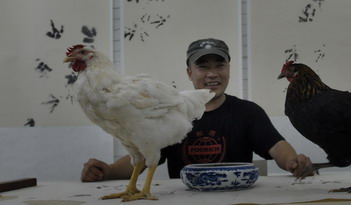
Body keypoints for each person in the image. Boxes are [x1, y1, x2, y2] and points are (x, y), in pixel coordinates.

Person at [81, 38, 311, 182]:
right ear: (190, 73)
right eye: (203, 67)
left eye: (219, 66)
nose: (212, 74)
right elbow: (143, 154)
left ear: (229, 70)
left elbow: (277, 147)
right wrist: (107, 171)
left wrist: (294, 162)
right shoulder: (170, 110)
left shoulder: (247, 113)